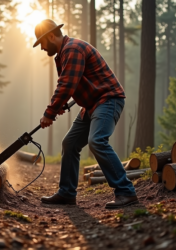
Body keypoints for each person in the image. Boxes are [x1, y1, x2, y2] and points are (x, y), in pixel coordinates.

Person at [33, 19, 138, 209]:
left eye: (41, 43)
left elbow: (66, 84)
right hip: (92, 105)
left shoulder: (72, 49)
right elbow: (74, 83)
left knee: (97, 140)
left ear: (50, 36)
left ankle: (126, 192)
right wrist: (60, 106)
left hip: (108, 100)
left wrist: (50, 112)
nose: (41, 48)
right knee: (70, 143)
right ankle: (67, 193)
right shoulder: (65, 52)